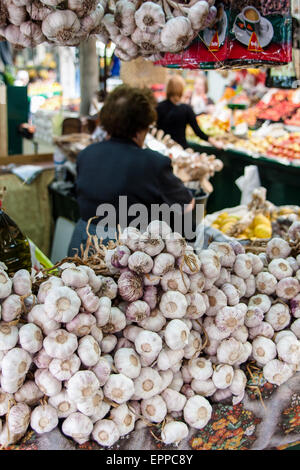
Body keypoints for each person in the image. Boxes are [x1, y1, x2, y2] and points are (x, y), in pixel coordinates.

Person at [68, 84, 195, 256]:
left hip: (82, 249)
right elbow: (186, 205)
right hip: (126, 257)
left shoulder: (86, 155)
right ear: (142, 127)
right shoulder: (153, 163)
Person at [156, 75, 211, 149]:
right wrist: (214, 142)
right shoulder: (186, 109)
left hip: (162, 147)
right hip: (180, 149)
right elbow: (198, 131)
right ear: (181, 89)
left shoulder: (159, 107)